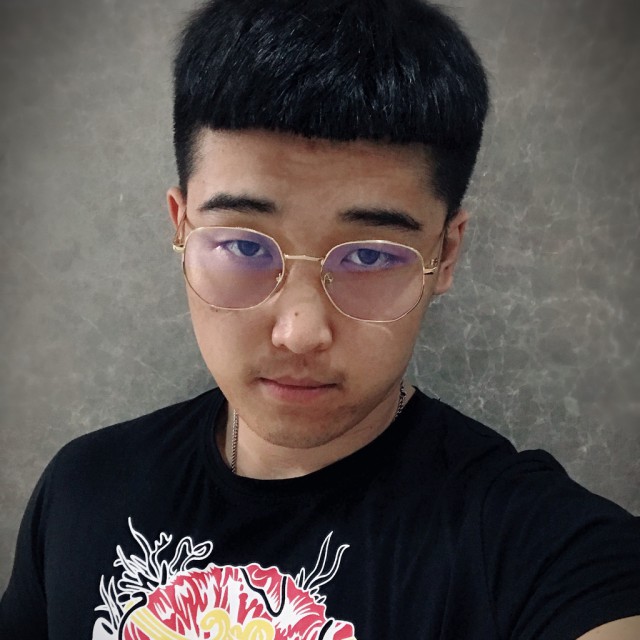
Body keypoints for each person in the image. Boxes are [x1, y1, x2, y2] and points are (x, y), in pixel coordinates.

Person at [1, 0, 639, 637]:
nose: (300, 331)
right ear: (182, 227)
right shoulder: (84, 491)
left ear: (444, 255)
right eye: (244, 246)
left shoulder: (527, 545)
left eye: (370, 256)